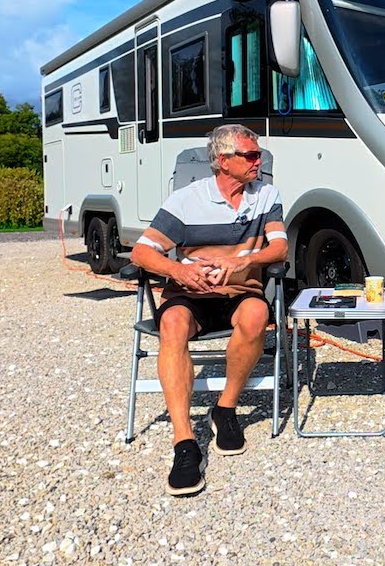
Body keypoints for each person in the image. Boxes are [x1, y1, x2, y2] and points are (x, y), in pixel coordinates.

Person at [131, 124, 288, 496]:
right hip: (191, 293)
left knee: (255, 316)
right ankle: (184, 442)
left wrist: (243, 261)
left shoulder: (265, 194)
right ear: (222, 161)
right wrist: (178, 269)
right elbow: (141, 252)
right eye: (250, 155)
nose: (258, 161)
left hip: (240, 291)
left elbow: (279, 248)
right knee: (171, 323)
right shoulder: (186, 200)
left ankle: (225, 409)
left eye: (259, 154)